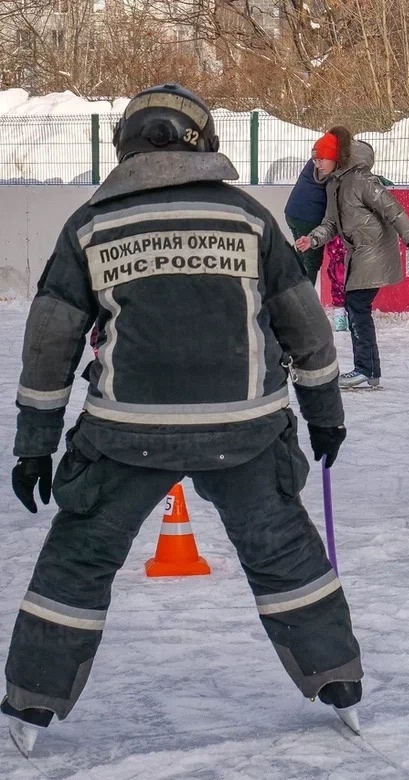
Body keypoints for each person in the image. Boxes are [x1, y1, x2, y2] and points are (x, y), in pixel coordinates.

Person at [3, 84, 362, 754]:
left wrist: (35, 445)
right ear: (204, 141)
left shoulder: (90, 225)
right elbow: (304, 326)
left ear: (126, 144)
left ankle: (32, 702)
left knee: (78, 561)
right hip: (247, 430)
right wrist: (325, 412)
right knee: (284, 552)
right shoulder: (249, 220)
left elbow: (50, 342)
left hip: (124, 435)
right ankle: (337, 682)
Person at [294, 126, 409, 389]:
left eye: (321, 157)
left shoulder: (361, 181)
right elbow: (331, 223)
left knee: (357, 307)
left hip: (374, 251)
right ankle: (370, 371)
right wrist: (312, 239)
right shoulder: (334, 183)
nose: (317, 163)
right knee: (357, 307)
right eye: (314, 158)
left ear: (335, 156)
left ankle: (365, 369)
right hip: (358, 253)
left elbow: (394, 210)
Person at [284, 155, 330, 284]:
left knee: (302, 255)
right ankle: (305, 301)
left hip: (293, 211)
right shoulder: (330, 161)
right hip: (309, 216)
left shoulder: (318, 156)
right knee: (311, 262)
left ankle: (291, 291)